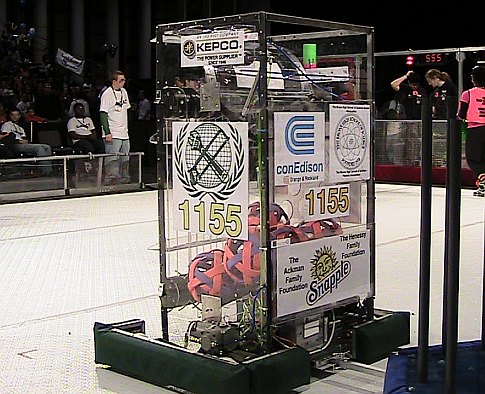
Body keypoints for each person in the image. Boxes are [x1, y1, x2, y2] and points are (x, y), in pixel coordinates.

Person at [457, 65, 485, 197]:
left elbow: (461, 114)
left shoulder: (468, 94)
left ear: (473, 79)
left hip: (475, 128)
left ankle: (483, 181)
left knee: (473, 159)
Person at [99, 70, 131, 183]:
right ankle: (111, 183)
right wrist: (107, 132)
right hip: (113, 133)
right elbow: (103, 113)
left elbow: (126, 108)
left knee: (125, 159)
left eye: (124, 80)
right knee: (113, 160)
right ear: (114, 81)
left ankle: (125, 181)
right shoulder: (107, 94)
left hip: (124, 133)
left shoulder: (124, 92)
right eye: (121, 80)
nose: (123, 82)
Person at [1, 108, 52, 175]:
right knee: (38, 148)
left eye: (17, 115)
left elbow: (24, 138)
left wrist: (25, 141)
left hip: (23, 144)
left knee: (46, 147)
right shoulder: (7, 125)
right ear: (9, 116)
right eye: (12, 115)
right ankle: (45, 172)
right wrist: (18, 141)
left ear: (19, 116)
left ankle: (49, 170)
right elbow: (6, 138)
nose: (15, 117)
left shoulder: (20, 128)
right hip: (14, 145)